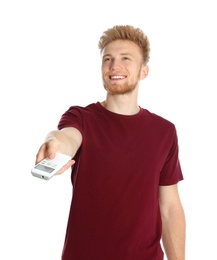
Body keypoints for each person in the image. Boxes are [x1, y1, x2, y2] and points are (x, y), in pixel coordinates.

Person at [35, 25, 186, 260]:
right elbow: (67, 137)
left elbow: (169, 207)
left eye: (126, 58)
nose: (115, 66)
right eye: (108, 59)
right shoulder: (82, 118)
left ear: (143, 71)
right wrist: (53, 144)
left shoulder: (164, 131)